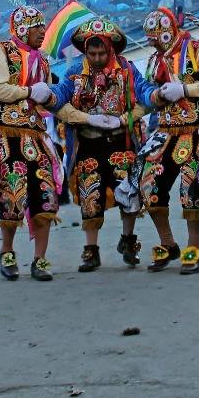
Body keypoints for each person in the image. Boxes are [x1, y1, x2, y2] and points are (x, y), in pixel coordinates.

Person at [0, 6, 62, 281]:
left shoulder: (43, 61)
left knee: (46, 196)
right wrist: (29, 91)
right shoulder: (2, 51)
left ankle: (40, 259)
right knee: (12, 197)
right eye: (37, 28)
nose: (43, 32)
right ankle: (7, 251)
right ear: (22, 29)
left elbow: (50, 98)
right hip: (8, 135)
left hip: (38, 137)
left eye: (43, 27)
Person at [51, 17, 158, 271]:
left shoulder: (127, 69)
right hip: (88, 143)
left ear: (110, 49)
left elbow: (144, 94)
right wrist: (51, 95)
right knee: (90, 195)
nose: (97, 58)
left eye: (101, 53)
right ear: (85, 51)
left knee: (128, 193)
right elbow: (59, 96)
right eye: (92, 53)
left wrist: (128, 115)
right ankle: (91, 250)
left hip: (121, 142)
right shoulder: (74, 73)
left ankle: (128, 240)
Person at [134, 8, 199, 275]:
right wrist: (127, 116)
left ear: (168, 32)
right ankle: (167, 242)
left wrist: (185, 89)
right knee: (148, 182)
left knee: (191, 189)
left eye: (156, 37)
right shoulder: (154, 61)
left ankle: (193, 247)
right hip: (166, 130)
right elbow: (150, 97)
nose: (152, 43)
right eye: (149, 38)